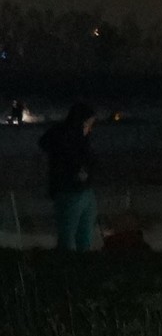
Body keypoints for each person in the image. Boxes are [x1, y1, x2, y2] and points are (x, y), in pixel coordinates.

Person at [38, 102, 99, 253]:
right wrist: (76, 170)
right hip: (69, 192)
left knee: (85, 236)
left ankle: (80, 266)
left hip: (85, 191)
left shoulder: (81, 138)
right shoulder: (63, 135)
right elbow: (50, 146)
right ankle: (68, 268)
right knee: (68, 239)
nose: (90, 128)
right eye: (88, 124)